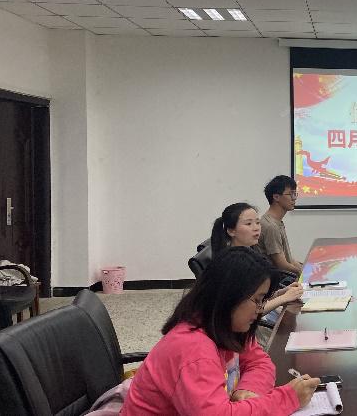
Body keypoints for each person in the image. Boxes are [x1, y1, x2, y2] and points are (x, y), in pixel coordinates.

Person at [121, 247, 319, 415]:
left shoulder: (228, 326)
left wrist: (247, 391)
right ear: (230, 296)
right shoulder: (194, 350)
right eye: (257, 300)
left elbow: (259, 362)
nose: (260, 310)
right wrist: (287, 398)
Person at [210, 203, 303, 316]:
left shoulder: (249, 255)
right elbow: (247, 312)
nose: (256, 228)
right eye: (248, 224)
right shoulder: (233, 264)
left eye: (258, 222)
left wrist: (281, 293)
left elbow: (256, 298)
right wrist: (284, 298)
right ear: (231, 231)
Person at [261, 176, 304, 275]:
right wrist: (302, 273)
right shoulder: (271, 226)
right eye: (291, 194)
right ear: (276, 197)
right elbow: (281, 265)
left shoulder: (277, 222)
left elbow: (288, 259)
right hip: (278, 279)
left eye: (295, 194)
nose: (294, 198)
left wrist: (303, 268)